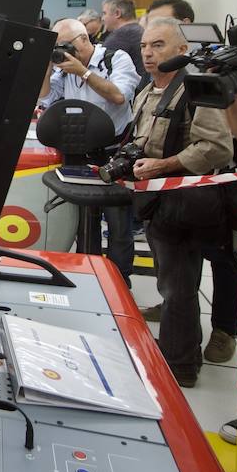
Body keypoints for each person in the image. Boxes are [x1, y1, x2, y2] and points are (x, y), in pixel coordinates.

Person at [128, 17, 235, 388]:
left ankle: (180, 366)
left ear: (182, 50)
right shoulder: (148, 90)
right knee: (170, 283)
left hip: (186, 202)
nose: (148, 53)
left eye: (158, 45)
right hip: (155, 200)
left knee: (178, 287)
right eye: (144, 46)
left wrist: (166, 164)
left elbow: (217, 148)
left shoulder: (195, 88)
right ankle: (180, 353)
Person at [38, 17, 140, 282]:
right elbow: (46, 99)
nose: (64, 52)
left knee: (118, 225)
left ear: (84, 39)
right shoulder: (64, 69)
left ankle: (120, 280)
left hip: (115, 152)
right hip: (80, 152)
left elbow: (119, 95)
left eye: (66, 45)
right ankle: (88, 274)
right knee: (85, 221)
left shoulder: (115, 59)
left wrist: (83, 72)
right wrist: (47, 67)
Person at [101, 0, 146, 77]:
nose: (102, 18)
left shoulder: (121, 35)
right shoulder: (140, 30)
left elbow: (100, 65)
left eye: (104, 13)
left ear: (117, 13)